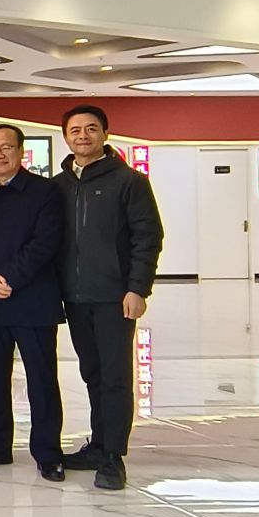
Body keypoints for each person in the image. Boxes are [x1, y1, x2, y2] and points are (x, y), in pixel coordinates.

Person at [55, 105, 165, 491]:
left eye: (91, 129)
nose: (83, 136)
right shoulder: (60, 185)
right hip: (75, 296)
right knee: (92, 373)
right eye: (75, 130)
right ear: (65, 137)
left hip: (115, 297)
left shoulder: (129, 181)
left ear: (105, 133)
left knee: (115, 376)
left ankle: (113, 458)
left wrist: (138, 288)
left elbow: (147, 238)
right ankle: (99, 444)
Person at [0, 124, 67, 482]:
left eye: (6, 148)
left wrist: (8, 278)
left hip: (33, 302)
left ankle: (48, 454)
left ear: (21, 151)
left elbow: (45, 243)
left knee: (41, 380)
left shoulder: (46, 192)